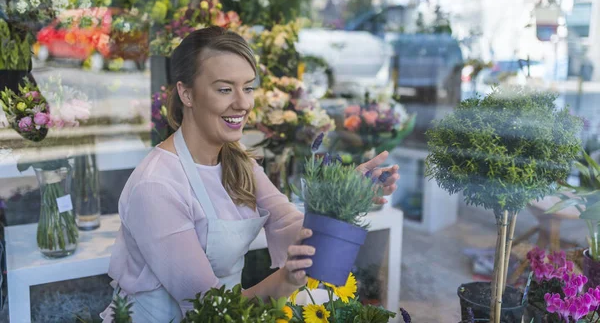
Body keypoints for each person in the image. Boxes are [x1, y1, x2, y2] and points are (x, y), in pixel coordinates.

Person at [101, 26, 399, 322]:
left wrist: (344, 198)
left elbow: (287, 220)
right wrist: (284, 280)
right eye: (225, 89)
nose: (243, 103)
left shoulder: (237, 158)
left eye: (248, 87)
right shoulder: (156, 186)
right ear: (186, 94)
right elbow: (207, 307)